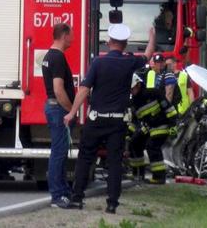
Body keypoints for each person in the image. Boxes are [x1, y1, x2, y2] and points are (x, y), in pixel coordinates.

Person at [64, 23, 155, 214]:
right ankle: (112, 203)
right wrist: (152, 35)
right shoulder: (129, 62)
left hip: (96, 119)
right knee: (115, 161)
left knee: (85, 158)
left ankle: (77, 198)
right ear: (125, 43)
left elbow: (84, 90)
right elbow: (147, 55)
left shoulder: (98, 62)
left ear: (109, 42)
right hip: (118, 121)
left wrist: (72, 113)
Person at [42, 23, 76, 209]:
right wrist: (71, 111)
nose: (73, 38)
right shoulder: (58, 58)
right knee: (59, 153)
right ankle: (57, 195)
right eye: (71, 35)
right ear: (64, 36)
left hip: (54, 108)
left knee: (60, 152)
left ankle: (63, 191)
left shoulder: (50, 56)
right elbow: (58, 89)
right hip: (58, 109)